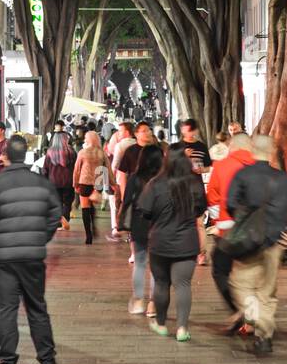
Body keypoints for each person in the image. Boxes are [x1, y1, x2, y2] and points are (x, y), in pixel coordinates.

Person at [0, 133, 62, 364]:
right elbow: (55, 215)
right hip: (33, 257)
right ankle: (47, 360)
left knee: (7, 309)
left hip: (3, 260)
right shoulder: (41, 183)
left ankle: (7, 362)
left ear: (5, 156)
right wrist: (39, 238)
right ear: (24, 154)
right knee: (37, 307)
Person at [225, 134, 287, 356]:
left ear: (252, 148)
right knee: (267, 290)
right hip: (276, 241)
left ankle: (257, 320)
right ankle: (264, 337)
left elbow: (231, 203)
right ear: (272, 151)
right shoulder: (282, 178)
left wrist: (244, 221)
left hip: (249, 241)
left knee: (241, 284)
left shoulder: (243, 175)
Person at [137, 145, 207, 341]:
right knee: (183, 285)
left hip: (161, 242)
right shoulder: (194, 183)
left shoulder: (155, 184)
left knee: (161, 283)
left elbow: (145, 211)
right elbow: (201, 209)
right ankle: (182, 328)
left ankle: (160, 324)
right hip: (187, 242)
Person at [206, 130, 256, 332]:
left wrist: (220, 224)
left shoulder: (221, 166)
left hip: (229, 232)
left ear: (232, 146)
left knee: (220, 269)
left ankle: (238, 310)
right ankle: (251, 320)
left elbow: (213, 198)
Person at [120, 143, 163, 314]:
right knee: (156, 266)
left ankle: (138, 301)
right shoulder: (165, 179)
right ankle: (153, 304)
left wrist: (122, 223)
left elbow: (127, 202)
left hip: (139, 224)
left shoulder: (135, 178)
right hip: (160, 225)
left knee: (139, 263)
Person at [72, 129, 113, 244]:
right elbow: (107, 170)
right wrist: (113, 184)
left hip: (84, 182)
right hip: (98, 183)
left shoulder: (82, 153)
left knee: (85, 208)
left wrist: (74, 184)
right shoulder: (101, 153)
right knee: (91, 204)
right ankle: (93, 225)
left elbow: (76, 170)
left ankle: (88, 235)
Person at [44, 129, 76, 231]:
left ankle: (59, 222)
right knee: (67, 202)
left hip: (53, 182)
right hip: (68, 181)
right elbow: (75, 167)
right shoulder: (71, 152)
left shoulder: (49, 153)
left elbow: (45, 169)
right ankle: (65, 219)